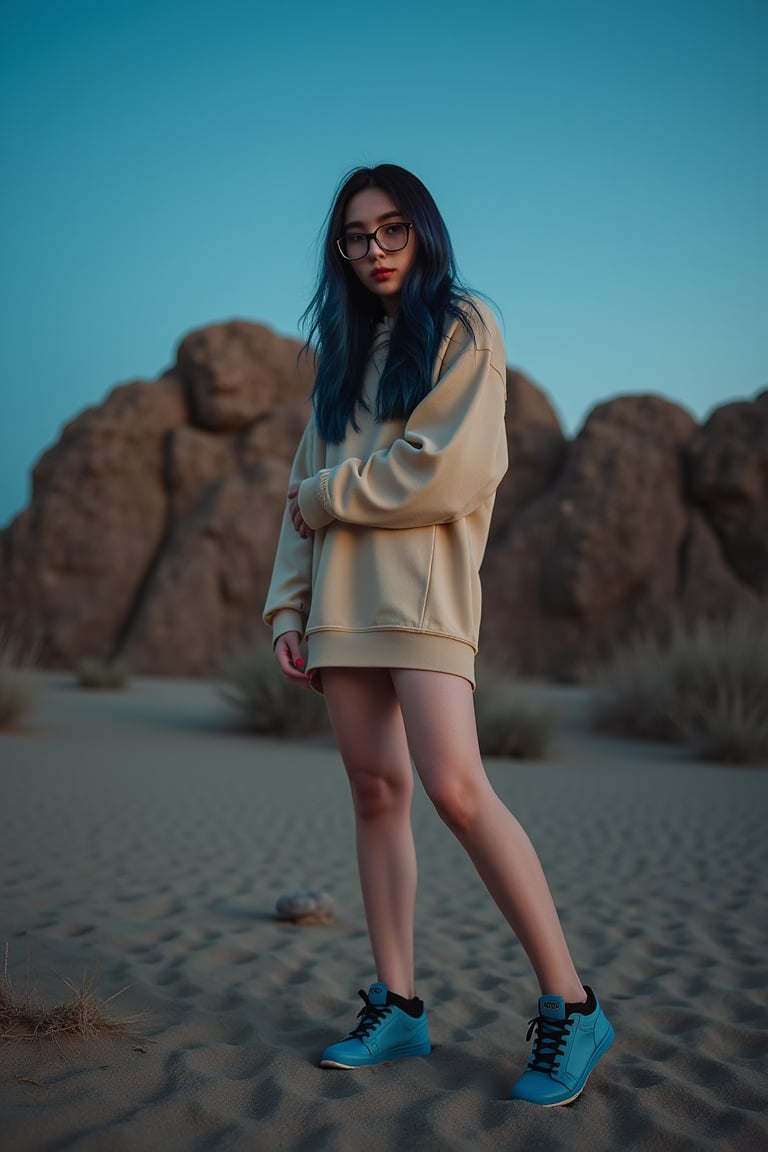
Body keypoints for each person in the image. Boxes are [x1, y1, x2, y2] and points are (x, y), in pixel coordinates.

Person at [263, 164, 614, 1106]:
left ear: (422, 232)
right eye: (354, 237)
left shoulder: (464, 326)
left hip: (423, 601)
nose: (373, 251)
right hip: (338, 609)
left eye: (390, 231)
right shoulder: (340, 352)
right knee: (376, 792)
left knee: (458, 791)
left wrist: (326, 497)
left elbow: (443, 472)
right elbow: (297, 496)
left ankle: (572, 1004)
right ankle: (400, 1002)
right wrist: (287, 609)